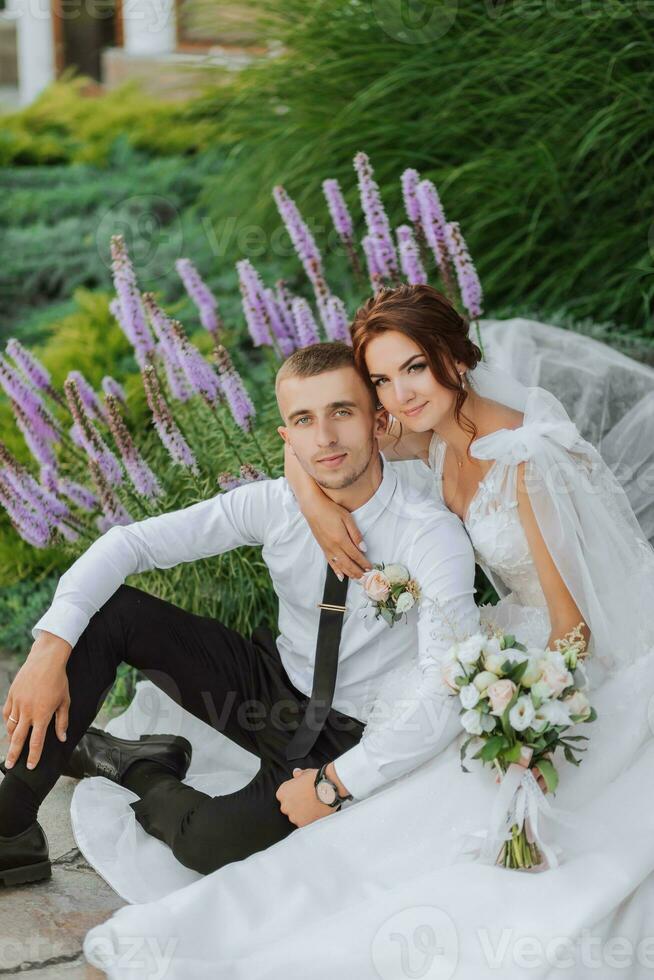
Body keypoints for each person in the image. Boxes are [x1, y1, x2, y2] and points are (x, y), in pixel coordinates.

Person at [80, 286, 654, 979]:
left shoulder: (528, 458)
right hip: (493, 650)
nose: (400, 394)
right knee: (412, 757)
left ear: (454, 355)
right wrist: (316, 507)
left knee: (435, 810)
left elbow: (575, 632)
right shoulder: (433, 435)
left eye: (414, 367)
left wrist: (517, 712)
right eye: (381, 379)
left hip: (568, 665)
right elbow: (318, 446)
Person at [0, 340, 481, 891]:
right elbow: (127, 545)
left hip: (347, 731)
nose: (324, 437)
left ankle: (136, 766)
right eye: (304, 419)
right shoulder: (274, 504)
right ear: (287, 437)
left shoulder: (429, 534)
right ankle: (9, 826)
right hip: (268, 685)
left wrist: (333, 785)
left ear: (378, 419)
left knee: (209, 844)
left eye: (341, 412)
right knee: (111, 614)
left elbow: (446, 690)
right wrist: (49, 647)